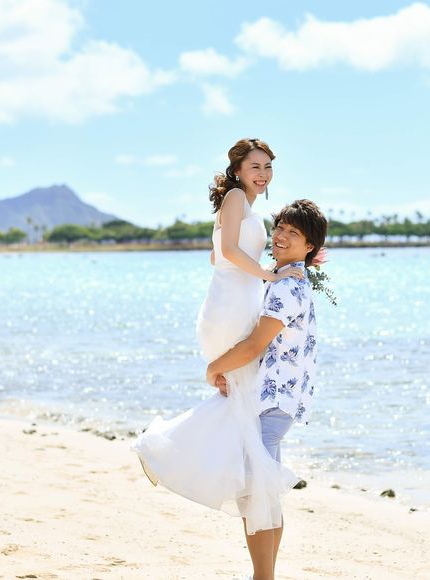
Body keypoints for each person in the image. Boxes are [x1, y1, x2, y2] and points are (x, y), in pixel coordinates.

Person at [131, 138, 302, 538]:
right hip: (231, 308)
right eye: (255, 166)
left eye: (268, 167)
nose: (263, 174)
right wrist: (269, 275)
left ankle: (238, 476)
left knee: (239, 401)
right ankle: (168, 450)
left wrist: (250, 272)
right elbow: (227, 250)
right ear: (238, 170)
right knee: (241, 396)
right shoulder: (236, 198)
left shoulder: (241, 205)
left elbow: (216, 255)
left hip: (232, 301)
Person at [206, 199, 328, 580]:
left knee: (256, 494)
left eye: (294, 233)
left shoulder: (285, 287)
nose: (281, 237)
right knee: (263, 493)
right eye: (280, 228)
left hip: (272, 402)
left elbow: (255, 345)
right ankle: (264, 575)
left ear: (310, 246)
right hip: (280, 401)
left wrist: (215, 367)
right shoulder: (290, 280)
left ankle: (263, 577)